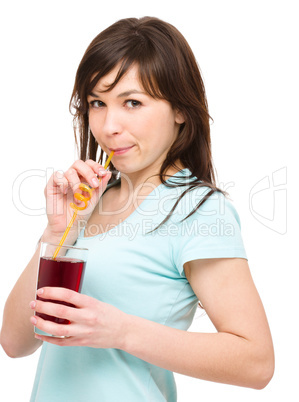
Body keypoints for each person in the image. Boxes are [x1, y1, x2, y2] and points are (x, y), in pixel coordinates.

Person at [0, 16, 274, 401]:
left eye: (132, 102)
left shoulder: (199, 210)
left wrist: (121, 331)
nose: (109, 125)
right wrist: (57, 234)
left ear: (180, 109)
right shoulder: (88, 202)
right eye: (97, 103)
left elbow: (256, 362)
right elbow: (14, 342)